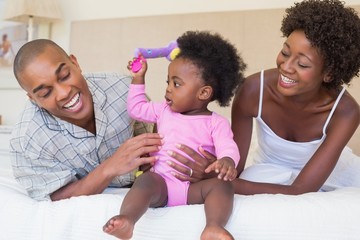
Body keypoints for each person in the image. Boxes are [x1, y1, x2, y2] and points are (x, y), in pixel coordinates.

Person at [103, 30, 247, 240]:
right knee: (145, 181)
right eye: (168, 82)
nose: (168, 90)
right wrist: (138, 77)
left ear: (203, 93)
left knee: (222, 186)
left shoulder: (216, 122)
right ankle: (128, 219)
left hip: (195, 189)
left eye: (176, 84)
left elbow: (228, 145)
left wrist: (226, 160)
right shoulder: (163, 110)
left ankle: (214, 227)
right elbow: (136, 109)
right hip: (162, 185)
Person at [229, 0, 360, 194]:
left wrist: (234, 186)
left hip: (331, 175)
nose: (286, 67)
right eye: (285, 52)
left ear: (329, 74)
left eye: (303, 64)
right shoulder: (252, 90)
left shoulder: (345, 111)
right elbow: (232, 170)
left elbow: (302, 189)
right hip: (268, 171)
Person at [9, 39, 164, 201]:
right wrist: (109, 168)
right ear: (33, 99)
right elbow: (55, 196)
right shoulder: (28, 141)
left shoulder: (123, 89)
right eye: (45, 93)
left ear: (75, 63)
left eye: (64, 76)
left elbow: (154, 135)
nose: (63, 93)